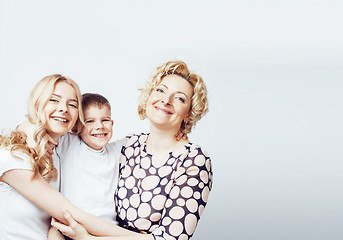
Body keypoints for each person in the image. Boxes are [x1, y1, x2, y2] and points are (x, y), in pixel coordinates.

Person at [52, 60, 213, 240]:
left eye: (179, 98)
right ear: (149, 96)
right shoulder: (129, 146)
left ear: (190, 112)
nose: (165, 100)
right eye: (160, 90)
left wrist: (89, 239)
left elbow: (171, 239)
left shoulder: (193, 160)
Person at [0, 74, 83, 239]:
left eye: (72, 104)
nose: (64, 109)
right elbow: (71, 213)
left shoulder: (62, 150)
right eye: (53, 100)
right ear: (37, 103)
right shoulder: (12, 155)